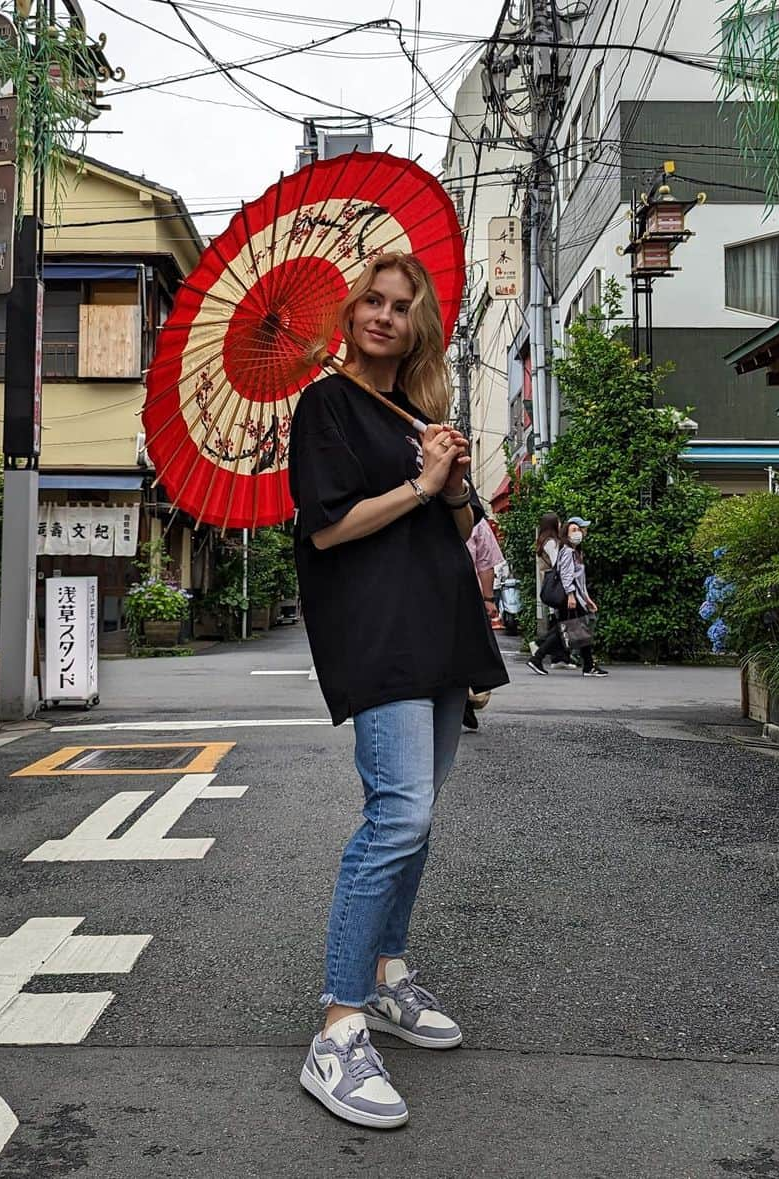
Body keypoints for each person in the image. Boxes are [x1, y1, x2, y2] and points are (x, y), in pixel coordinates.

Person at [288, 251, 509, 1130]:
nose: (384, 316)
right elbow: (330, 527)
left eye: (401, 306)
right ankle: (338, 1024)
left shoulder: (419, 412)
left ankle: (385, 974)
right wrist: (418, 482)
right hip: (375, 634)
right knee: (399, 816)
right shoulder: (325, 404)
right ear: (351, 314)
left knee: (421, 816)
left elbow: (459, 526)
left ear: (418, 326)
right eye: (372, 301)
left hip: (441, 628)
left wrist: (452, 481)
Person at [463, 517, 504, 729]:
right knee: (469, 651)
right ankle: (466, 699)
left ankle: (461, 699)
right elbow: (485, 563)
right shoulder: (476, 521)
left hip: (434, 596)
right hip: (469, 597)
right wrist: (488, 599)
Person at [555, 516, 607, 677]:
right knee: (581, 631)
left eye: (579, 530)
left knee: (579, 631)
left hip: (578, 597)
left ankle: (588, 665)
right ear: (566, 534)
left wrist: (587, 598)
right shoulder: (568, 552)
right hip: (573, 598)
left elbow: (580, 580)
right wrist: (571, 595)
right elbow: (566, 575)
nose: (578, 533)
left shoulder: (575, 552)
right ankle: (589, 665)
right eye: (574, 530)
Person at [527, 512, 574, 675]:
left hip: (550, 586)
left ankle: (559, 657)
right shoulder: (551, 543)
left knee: (561, 621)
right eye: (558, 522)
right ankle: (539, 648)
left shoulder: (543, 541)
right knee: (566, 622)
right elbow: (558, 564)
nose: (561, 525)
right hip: (557, 586)